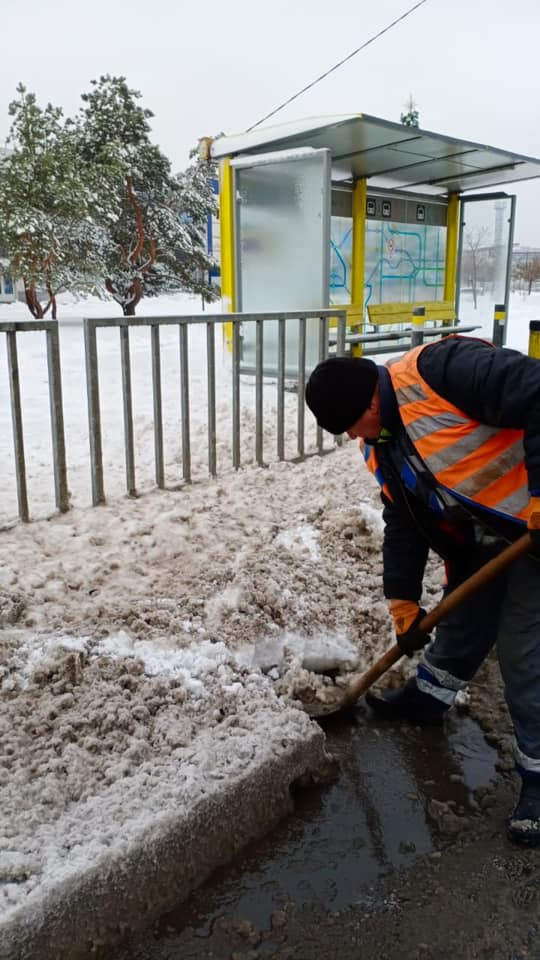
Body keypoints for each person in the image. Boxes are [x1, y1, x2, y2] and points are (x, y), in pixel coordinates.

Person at [305, 335, 540, 846]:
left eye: (349, 426)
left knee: (524, 646)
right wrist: (402, 599)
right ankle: (428, 699)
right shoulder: (381, 443)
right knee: (467, 613)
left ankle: (538, 778)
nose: (351, 438)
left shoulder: (442, 370)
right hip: (491, 532)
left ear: (369, 402)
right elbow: (405, 519)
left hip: (533, 526)